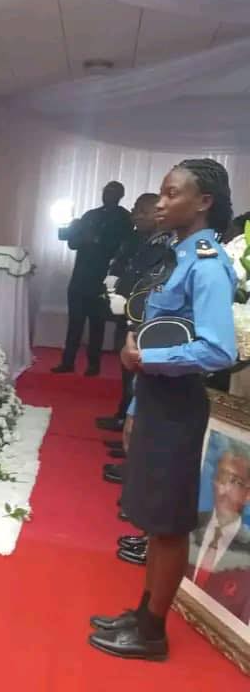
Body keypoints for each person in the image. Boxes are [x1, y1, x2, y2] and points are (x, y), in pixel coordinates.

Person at [89, 159, 237, 661]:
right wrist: (135, 397)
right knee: (153, 518)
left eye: (173, 194)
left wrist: (148, 360)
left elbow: (218, 349)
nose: (161, 203)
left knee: (169, 523)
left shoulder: (207, 263)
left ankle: (153, 632)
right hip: (156, 397)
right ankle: (142, 612)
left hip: (177, 403)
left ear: (204, 202)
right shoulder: (178, 254)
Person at [96, 193, 164, 434]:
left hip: (143, 317)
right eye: (135, 210)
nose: (136, 216)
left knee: (137, 377)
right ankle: (124, 418)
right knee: (127, 373)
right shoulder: (137, 238)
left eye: (142, 211)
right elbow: (123, 265)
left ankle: (130, 425)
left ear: (157, 214)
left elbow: (149, 282)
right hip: (126, 312)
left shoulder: (165, 244)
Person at [53, 181, 132, 376]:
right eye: (106, 191)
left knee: (97, 323)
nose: (108, 195)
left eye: (112, 192)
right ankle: (68, 362)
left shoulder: (124, 218)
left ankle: (93, 365)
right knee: (75, 322)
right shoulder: (90, 215)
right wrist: (73, 229)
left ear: (121, 195)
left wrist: (96, 240)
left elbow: (124, 246)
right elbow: (72, 242)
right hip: (80, 275)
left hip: (103, 278)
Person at [187, 444, 250, 623]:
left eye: (235, 482)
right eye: (221, 478)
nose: (223, 490)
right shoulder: (188, 522)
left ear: (248, 494)